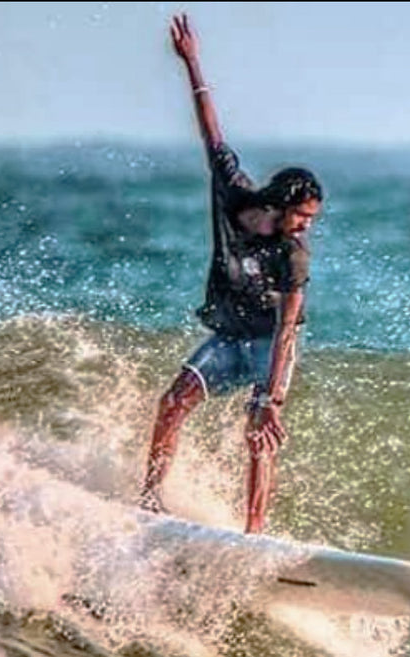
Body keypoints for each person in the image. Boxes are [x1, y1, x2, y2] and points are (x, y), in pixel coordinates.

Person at [138, 12, 324, 534]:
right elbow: (211, 130)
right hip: (229, 334)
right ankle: (148, 501)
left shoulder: (294, 255)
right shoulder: (234, 192)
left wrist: (272, 400)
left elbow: (288, 328)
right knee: (173, 402)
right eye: (304, 216)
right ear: (282, 204)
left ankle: (255, 532)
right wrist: (192, 61)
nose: (307, 227)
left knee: (258, 431)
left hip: (270, 343)